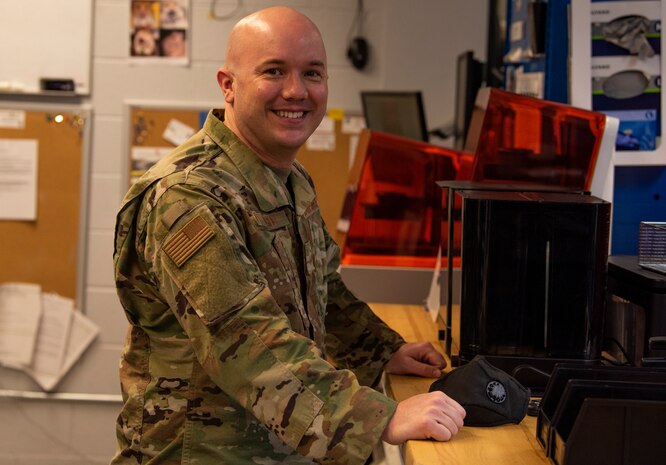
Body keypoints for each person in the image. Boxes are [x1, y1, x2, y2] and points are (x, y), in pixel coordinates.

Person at [111, 6, 465, 465]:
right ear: (228, 85)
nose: (296, 91)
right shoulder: (188, 197)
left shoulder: (287, 178)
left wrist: (381, 349)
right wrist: (374, 420)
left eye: (312, 73)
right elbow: (243, 339)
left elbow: (320, 290)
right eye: (273, 71)